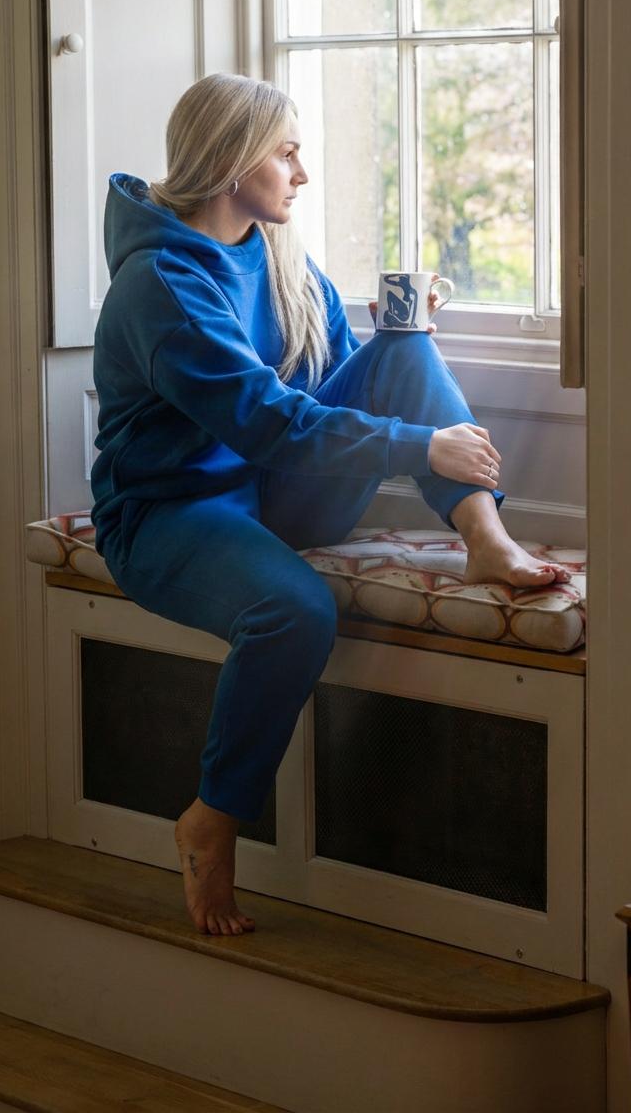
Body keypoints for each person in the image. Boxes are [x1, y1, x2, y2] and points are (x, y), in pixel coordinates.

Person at [90, 72, 570, 939]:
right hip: (168, 515)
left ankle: (486, 537)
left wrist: (408, 333)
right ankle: (214, 819)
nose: (301, 172)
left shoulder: (273, 248)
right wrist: (420, 444)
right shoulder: (161, 286)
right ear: (232, 159)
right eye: (287, 151)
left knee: (402, 344)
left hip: (268, 494)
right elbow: (267, 420)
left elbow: (334, 376)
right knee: (293, 609)